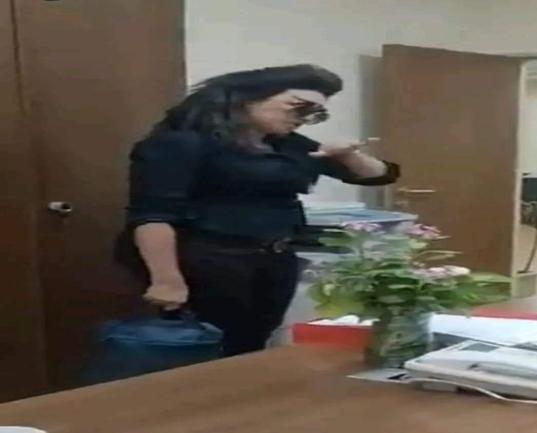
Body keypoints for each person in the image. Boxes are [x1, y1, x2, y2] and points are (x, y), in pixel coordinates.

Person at [117, 65, 399, 356]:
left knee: (253, 344)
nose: (303, 119)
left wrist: (349, 155)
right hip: (208, 261)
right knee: (209, 348)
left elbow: (380, 175)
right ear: (249, 97)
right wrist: (166, 281)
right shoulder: (182, 142)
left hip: (274, 259)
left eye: (315, 113)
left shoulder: (286, 144)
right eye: (299, 107)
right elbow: (153, 216)